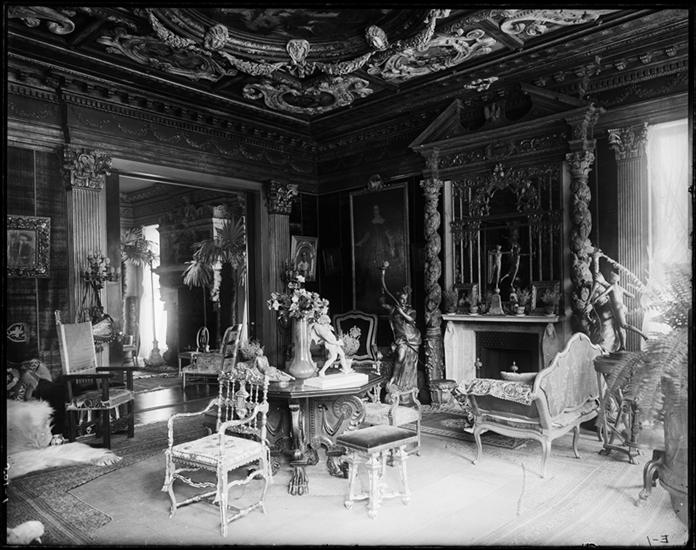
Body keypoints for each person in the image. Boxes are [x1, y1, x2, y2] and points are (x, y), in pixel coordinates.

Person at [382, 286, 421, 391]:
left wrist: (402, 312)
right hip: (401, 339)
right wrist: (383, 288)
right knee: (400, 356)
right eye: (401, 299)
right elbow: (382, 304)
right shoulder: (393, 310)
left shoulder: (411, 310)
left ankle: (407, 385)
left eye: (405, 299)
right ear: (398, 299)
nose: (403, 301)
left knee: (408, 360)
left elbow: (411, 320)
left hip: (412, 338)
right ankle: (394, 378)